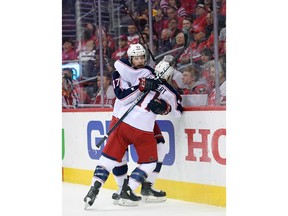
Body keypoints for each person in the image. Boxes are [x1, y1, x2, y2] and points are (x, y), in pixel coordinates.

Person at [83, 43, 183, 208]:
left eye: (142, 57)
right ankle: (125, 189)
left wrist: (164, 108)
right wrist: (143, 87)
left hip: (126, 120)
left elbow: (166, 102)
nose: (139, 60)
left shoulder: (145, 72)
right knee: (133, 158)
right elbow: (122, 96)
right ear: (129, 58)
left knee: (157, 147)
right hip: (128, 120)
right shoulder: (122, 72)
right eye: (136, 58)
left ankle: (140, 187)